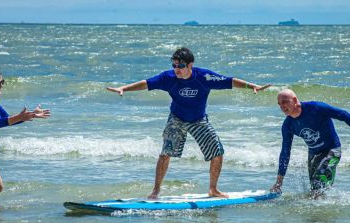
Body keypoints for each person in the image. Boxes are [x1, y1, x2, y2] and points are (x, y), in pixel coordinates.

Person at [107, 47, 269, 199]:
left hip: (199, 120)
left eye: (181, 65)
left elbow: (230, 81)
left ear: (190, 65)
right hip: (176, 119)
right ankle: (156, 190)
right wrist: (124, 88)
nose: (177, 69)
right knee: (165, 154)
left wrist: (252, 86)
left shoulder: (204, 77)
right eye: (174, 65)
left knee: (217, 152)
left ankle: (213, 189)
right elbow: (146, 83)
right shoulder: (167, 78)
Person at [271, 89, 350, 197]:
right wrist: (279, 181)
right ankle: (322, 211)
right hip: (313, 155)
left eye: (285, 101)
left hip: (332, 150)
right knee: (315, 189)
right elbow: (285, 152)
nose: (282, 106)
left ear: (294, 100)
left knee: (318, 185)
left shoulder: (316, 108)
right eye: (279, 104)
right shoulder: (288, 125)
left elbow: (343, 115)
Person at [0, 68, 51, 205]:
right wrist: (18, 117)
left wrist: (31, 115)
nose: (2, 86)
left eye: (3, 82)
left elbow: (8, 120)